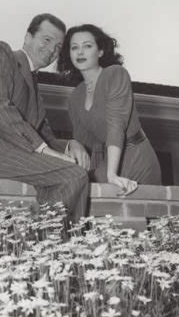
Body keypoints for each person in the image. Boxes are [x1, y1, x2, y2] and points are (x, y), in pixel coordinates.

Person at [0, 13, 90, 223]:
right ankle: (50, 246)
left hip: (2, 151)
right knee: (72, 175)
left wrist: (71, 145)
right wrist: (43, 150)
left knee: (70, 174)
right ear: (28, 37)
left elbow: (44, 138)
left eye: (58, 47)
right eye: (46, 40)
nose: (51, 50)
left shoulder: (36, 92)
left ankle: (42, 241)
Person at [58, 24, 162, 195]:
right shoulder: (75, 96)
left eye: (87, 46)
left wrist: (111, 174)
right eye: (74, 47)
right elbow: (86, 145)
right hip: (109, 161)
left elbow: (116, 125)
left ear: (100, 52)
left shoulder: (115, 74)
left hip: (136, 155)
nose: (80, 52)